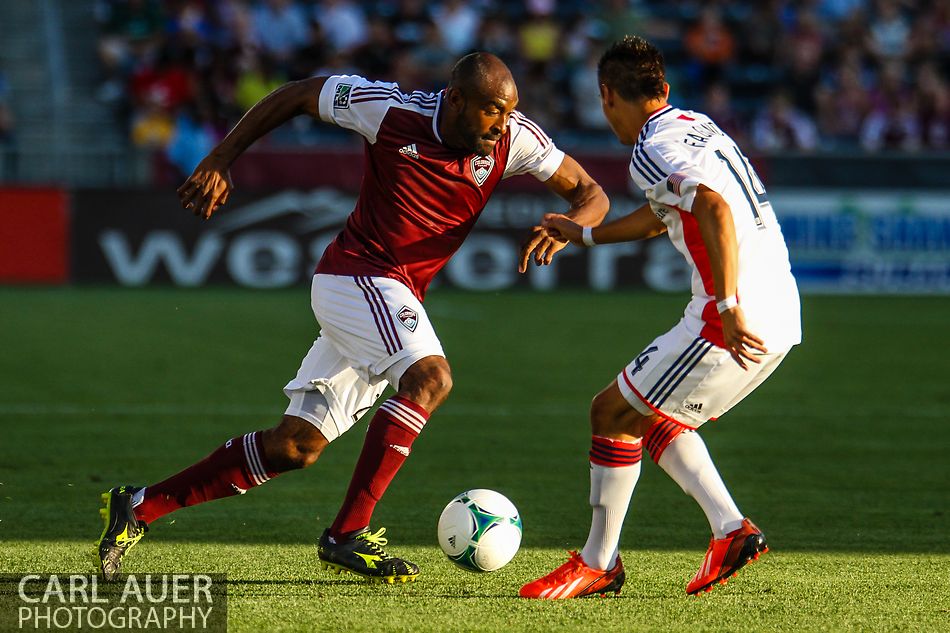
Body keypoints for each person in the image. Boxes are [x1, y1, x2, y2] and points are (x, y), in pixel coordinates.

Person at [96, 52, 608, 584]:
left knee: (296, 446)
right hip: (356, 276)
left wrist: (574, 224)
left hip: (391, 294)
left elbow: (592, 194)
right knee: (430, 378)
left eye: (508, 112)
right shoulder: (389, 110)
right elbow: (296, 94)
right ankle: (347, 534)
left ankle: (138, 506)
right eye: (492, 111)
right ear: (455, 100)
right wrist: (222, 158)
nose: (502, 123)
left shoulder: (512, 139)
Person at [519, 36, 801, 599]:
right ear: (664, 90)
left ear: (607, 97)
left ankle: (599, 562)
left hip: (732, 315)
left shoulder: (651, 146)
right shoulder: (698, 126)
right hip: (781, 310)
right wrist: (589, 234)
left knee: (611, 411)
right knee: (653, 414)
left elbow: (712, 208)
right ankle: (731, 530)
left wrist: (726, 306)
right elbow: (664, 211)